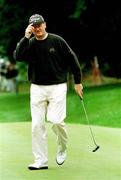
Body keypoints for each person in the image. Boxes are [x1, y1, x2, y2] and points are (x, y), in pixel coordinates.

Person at [14, 14, 83, 170]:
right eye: (34, 26)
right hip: (37, 88)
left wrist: (78, 82)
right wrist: (25, 37)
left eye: (39, 25)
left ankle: (62, 148)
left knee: (57, 121)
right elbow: (18, 56)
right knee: (37, 125)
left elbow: (73, 60)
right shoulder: (29, 43)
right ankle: (40, 161)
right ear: (30, 27)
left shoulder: (57, 41)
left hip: (58, 86)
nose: (37, 28)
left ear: (45, 25)